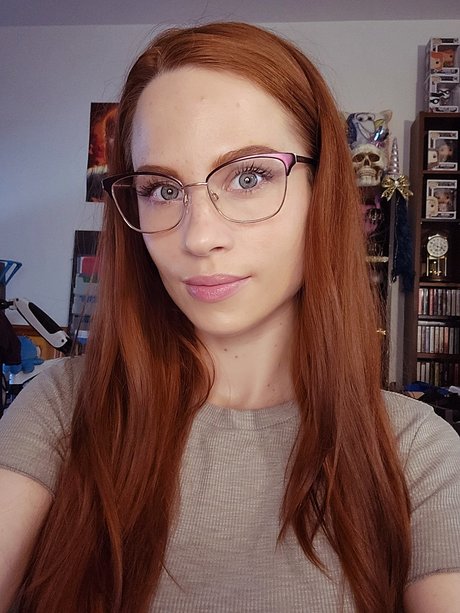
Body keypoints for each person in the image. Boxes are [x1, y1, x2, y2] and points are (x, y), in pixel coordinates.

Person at [0, 22, 459, 613]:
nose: (199, 237)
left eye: (248, 177)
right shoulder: (62, 407)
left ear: (322, 192)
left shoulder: (415, 454)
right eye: (162, 189)